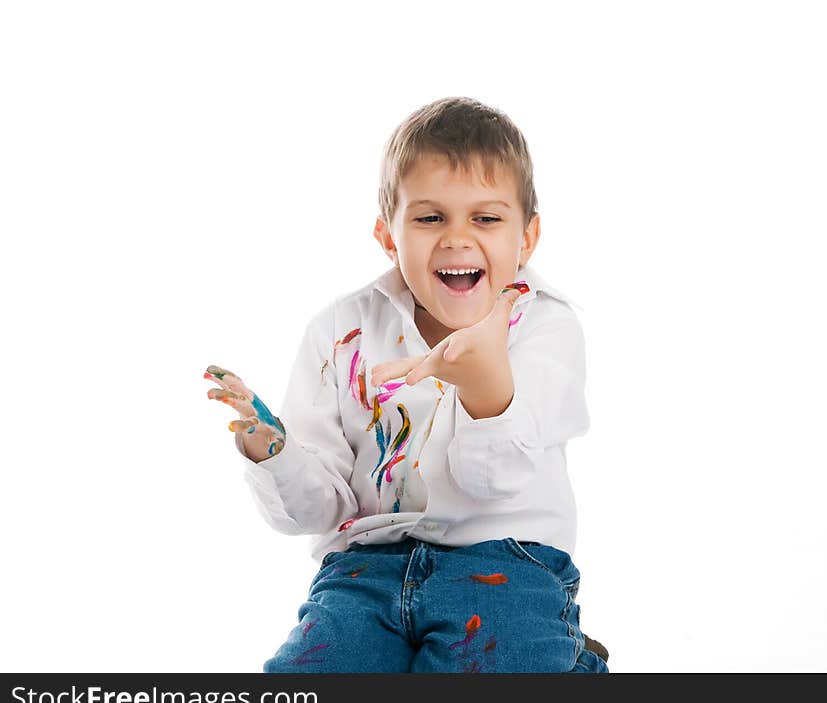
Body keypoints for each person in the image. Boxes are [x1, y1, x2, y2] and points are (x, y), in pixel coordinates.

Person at [205, 96, 609, 673]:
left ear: (527, 237)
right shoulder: (340, 332)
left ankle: (563, 658)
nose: (457, 238)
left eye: (487, 218)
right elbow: (317, 512)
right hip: (365, 573)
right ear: (388, 236)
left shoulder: (546, 327)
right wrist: (274, 453)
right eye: (429, 217)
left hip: (506, 565)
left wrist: (483, 381)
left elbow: (492, 480)